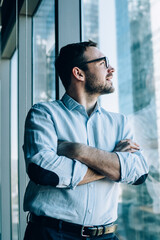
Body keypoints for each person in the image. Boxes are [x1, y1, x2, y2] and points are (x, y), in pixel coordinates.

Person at [23, 40, 149, 240]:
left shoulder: (120, 122)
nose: (111, 69)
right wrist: (115, 164)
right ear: (78, 73)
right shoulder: (44, 114)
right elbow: (44, 172)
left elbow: (139, 173)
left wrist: (78, 151)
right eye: (103, 63)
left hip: (106, 236)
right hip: (51, 234)